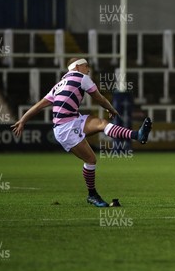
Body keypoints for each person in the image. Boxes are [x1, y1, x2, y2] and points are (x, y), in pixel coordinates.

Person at [11, 58, 152, 207]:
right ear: (77, 67)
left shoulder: (58, 85)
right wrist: (111, 108)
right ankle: (92, 195)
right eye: (86, 66)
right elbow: (99, 98)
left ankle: (138, 135)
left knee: (101, 123)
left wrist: (23, 120)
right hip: (65, 129)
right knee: (91, 160)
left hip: (73, 120)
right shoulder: (82, 78)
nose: (88, 69)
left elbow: (39, 105)